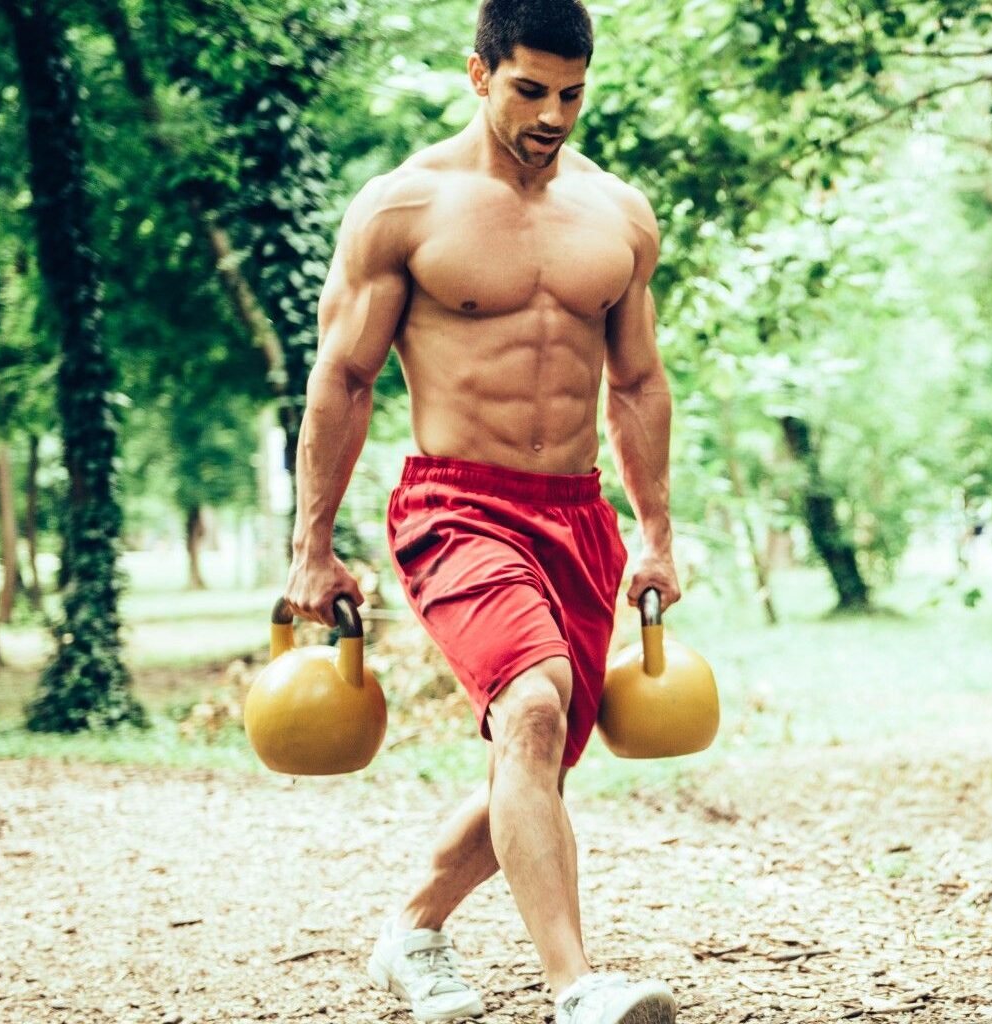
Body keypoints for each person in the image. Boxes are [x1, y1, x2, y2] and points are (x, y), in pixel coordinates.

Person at [281, 2, 680, 1021]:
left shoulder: (619, 214)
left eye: (574, 93)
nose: (554, 114)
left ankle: (413, 929)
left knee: (532, 753)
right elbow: (345, 377)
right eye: (531, 89)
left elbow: (637, 382)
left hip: (578, 515)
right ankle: (578, 989)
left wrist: (655, 532)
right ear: (478, 73)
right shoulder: (403, 208)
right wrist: (310, 550)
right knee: (536, 706)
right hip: (456, 506)